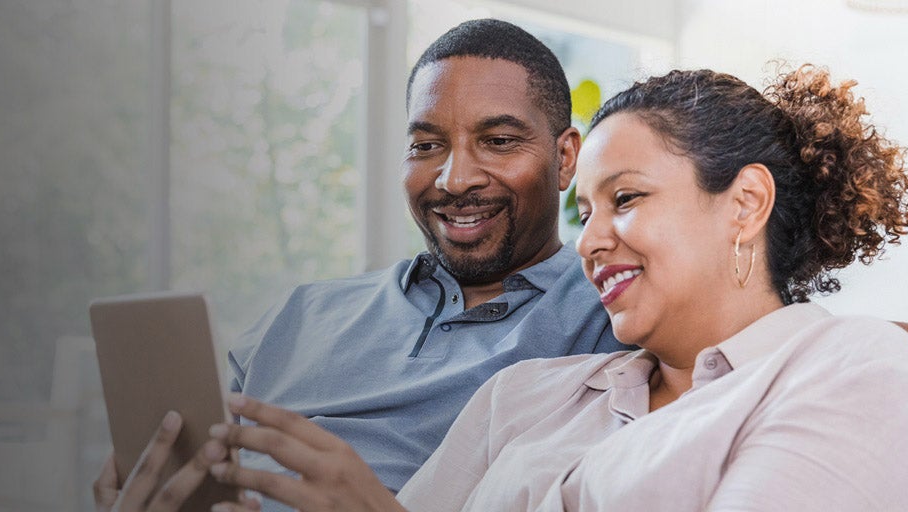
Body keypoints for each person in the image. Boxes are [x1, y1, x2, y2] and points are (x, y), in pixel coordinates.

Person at [103, 64, 908, 511]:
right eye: (582, 210)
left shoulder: (853, 371)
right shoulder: (524, 398)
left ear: (743, 203)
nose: (590, 241)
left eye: (625, 199)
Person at [93, 18, 628, 511]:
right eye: (426, 145)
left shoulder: (612, 313)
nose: (454, 179)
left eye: (498, 142)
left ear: (564, 159)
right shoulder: (305, 311)